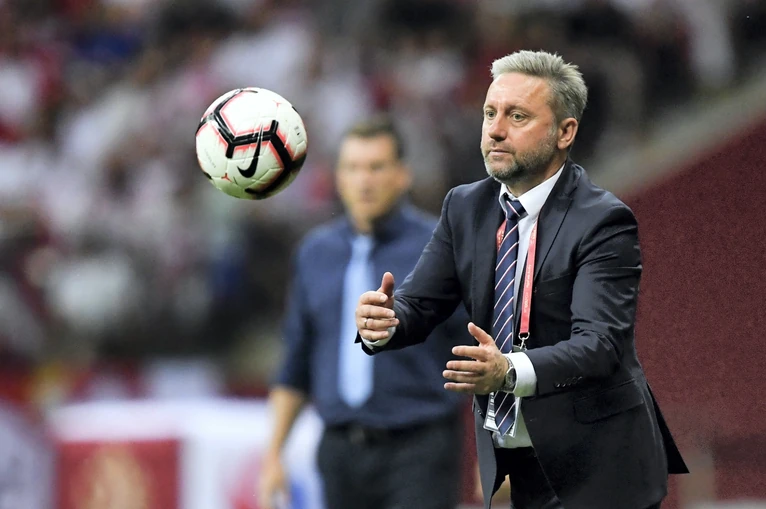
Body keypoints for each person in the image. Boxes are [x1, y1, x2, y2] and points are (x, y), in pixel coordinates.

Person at [354, 50, 689, 509]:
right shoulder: (464, 207)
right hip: (521, 467)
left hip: (601, 468)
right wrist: (384, 322)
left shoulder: (603, 221)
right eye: (489, 113)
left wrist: (508, 371)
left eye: (517, 116)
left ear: (565, 132)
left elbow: (600, 345)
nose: (495, 130)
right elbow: (419, 304)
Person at [259, 117, 469, 509]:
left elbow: (476, 350)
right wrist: (273, 454)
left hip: (420, 448)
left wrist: (500, 449)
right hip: (339, 451)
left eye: (376, 167)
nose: (364, 181)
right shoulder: (315, 253)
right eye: (353, 168)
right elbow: (296, 362)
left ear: (403, 174)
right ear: (338, 177)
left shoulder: (441, 247)